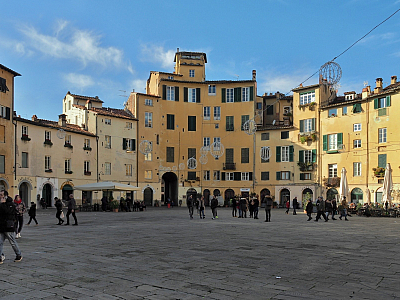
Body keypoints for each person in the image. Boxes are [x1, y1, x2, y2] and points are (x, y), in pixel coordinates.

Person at [0, 191, 23, 263]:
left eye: (1, 195)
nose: (0, 196)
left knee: (12, 242)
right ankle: (0, 257)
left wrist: (3, 203)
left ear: (5, 196)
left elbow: (8, 212)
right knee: (0, 242)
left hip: (8, 226)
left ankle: (18, 255)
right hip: (1, 226)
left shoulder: (11, 204)